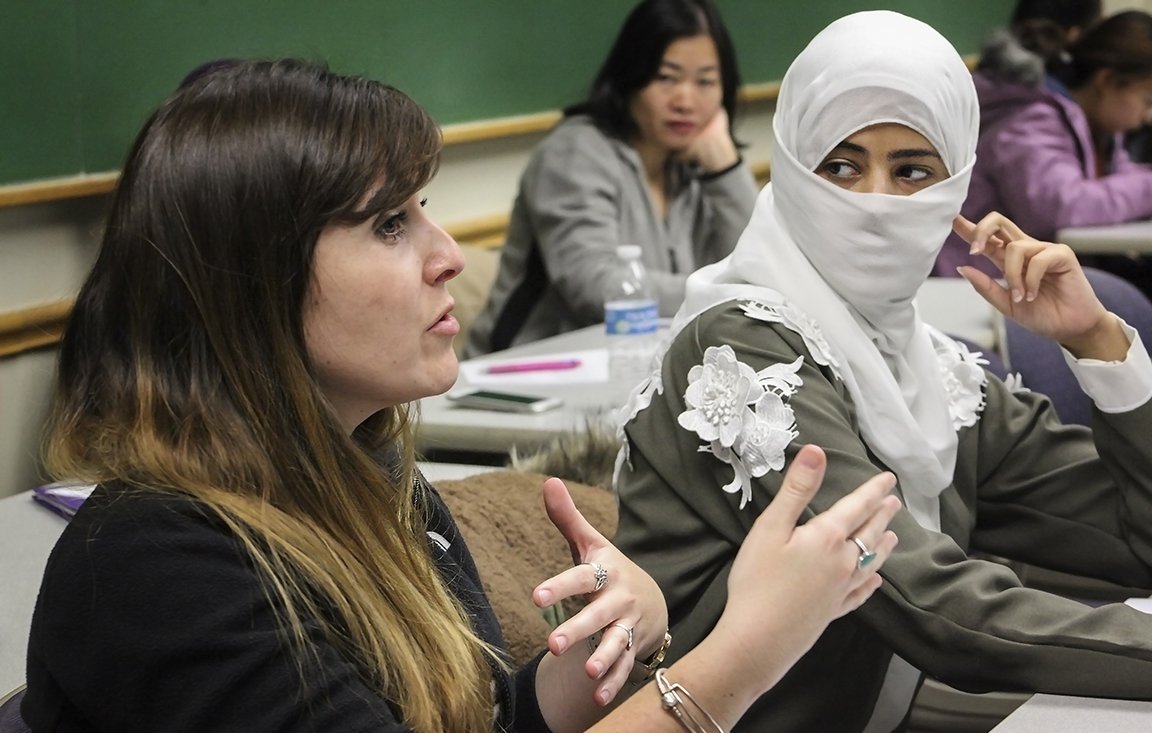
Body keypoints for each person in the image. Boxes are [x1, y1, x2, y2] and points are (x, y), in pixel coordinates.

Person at [20, 59, 900, 732]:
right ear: (254, 280)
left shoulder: (373, 473)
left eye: (425, 211)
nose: (449, 254)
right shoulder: (153, 566)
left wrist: (567, 679)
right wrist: (745, 651)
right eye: (390, 224)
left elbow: (473, 718)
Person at [614, 11, 1152, 732]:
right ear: (795, 166)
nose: (873, 200)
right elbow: (925, 603)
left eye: (912, 171)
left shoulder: (926, 365)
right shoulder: (743, 346)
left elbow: (1131, 534)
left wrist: (1095, 342)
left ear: (957, 185)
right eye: (840, 165)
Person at [465, 0, 756, 356]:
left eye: (706, 82)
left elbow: (754, 263)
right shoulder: (574, 152)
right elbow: (599, 289)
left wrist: (725, 170)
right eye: (666, 78)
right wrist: (720, 292)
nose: (685, 100)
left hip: (638, 371)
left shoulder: (694, 164)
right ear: (630, 76)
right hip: (519, 377)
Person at [934, 9, 1152, 283]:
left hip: (1034, 273)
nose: (1147, 116)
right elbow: (1060, 207)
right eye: (1147, 101)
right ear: (1106, 81)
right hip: (980, 279)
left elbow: (1120, 181)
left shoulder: (1100, 128)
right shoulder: (1030, 118)